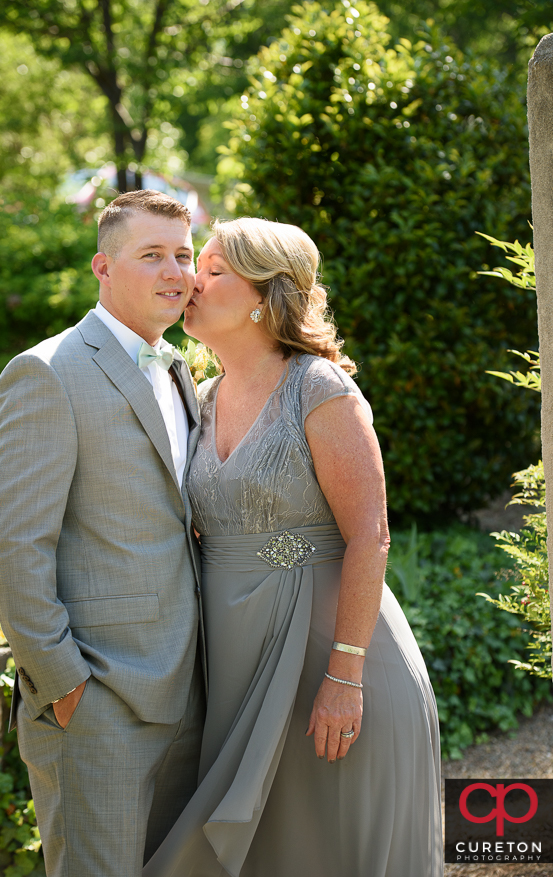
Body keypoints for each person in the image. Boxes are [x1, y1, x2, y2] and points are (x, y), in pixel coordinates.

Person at [143, 217, 443, 877]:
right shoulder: (200, 397)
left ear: (263, 295)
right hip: (238, 669)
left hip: (330, 667)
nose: (193, 279)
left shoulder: (319, 388)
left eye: (215, 269)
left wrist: (345, 675)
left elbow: (370, 533)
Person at [0, 190, 206, 877]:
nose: (176, 272)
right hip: (96, 702)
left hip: (188, 693)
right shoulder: (47, 372)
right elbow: (14, 544)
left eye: (184, 254)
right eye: (152, 255)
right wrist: (64, 683)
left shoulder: (179, 368)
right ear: (102, 267)